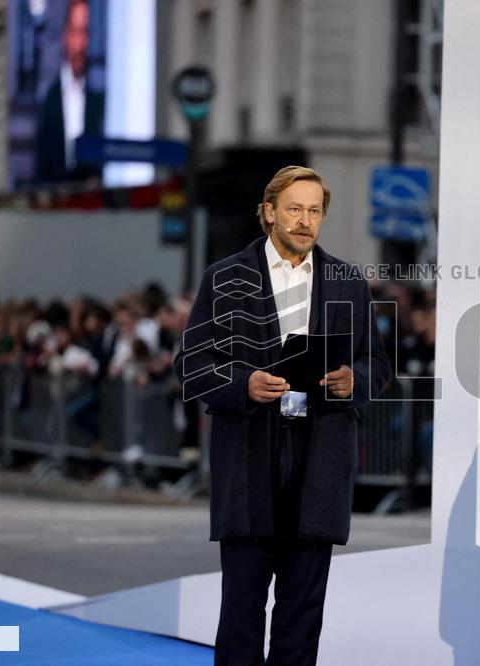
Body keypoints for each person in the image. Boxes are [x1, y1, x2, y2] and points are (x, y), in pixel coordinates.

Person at [173, 166, 392, 665]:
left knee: (301, 622)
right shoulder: (224, 278)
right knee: (241, 620)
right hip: (250, 462)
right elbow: (190, 363)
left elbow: (377, 362)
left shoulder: (348, 282)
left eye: (314, 211)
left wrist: (354, 380)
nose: (305, 221)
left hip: (319, 463)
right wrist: (242, 385)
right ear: (269, 212)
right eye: (294, 209)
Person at [33, 0, 104, 183]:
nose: (80, 44)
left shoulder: (96, 100)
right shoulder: (49, 99)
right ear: (66, 35)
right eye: (76, 32)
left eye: (85, 32)